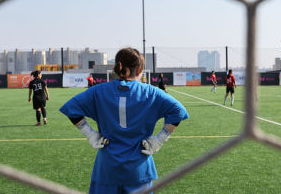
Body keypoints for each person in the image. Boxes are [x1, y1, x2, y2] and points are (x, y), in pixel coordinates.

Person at [60, 48, 189, 194]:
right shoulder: (150, 92)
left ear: (117, 66)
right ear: (139, 68)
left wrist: (89, 133)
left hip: (107, 168)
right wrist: (160, 138)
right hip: (139, 169)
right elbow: (179, 111)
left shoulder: (98, 91)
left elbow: (71, 108)